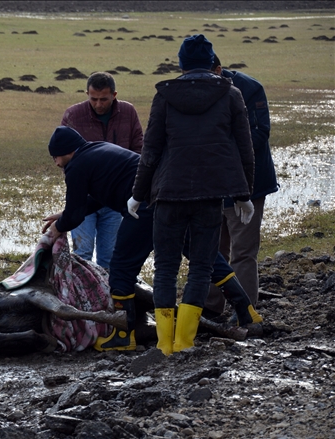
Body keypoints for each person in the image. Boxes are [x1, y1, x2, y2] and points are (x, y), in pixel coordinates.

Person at [42, 126, 260, 353]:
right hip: (170, 197)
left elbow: (75, 214)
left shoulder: (76, 166)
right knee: (200, 254)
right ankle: (246, 310)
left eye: (55, 157)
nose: (57, 163)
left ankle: (123, 335)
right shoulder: (97, 149)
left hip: (144, 209)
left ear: (64, 151)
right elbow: (98, 197)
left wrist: (58, 228)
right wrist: (63, 216)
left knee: (121, 267)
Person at [128, 34, 255, 355]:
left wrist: (137, 194)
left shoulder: (165, 96)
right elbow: (245, 151)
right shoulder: (232, 94)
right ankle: (185, 342)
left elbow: (151, 151)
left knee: (166, 268)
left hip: (168, 193)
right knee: (200, 266)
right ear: (213, 63)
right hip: (209, 195)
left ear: (181, 64)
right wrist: (244, 195)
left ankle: (165, 343)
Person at [202, 54, 279, 322]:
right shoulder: (194, 89)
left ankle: (245, 310)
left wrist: (218, 150)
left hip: (248, 183)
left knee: (243, 250)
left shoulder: (249, 88)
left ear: (219, 70)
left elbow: (260, 133)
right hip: (210, 186)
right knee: (212, 248)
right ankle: (211, 307)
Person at [60, 71, 143, 270]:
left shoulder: (128, 112)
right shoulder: (73, 115)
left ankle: (109, 298)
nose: (98, 104)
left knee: (110, 256)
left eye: (103, 99)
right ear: (87, 94)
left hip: (117, 197)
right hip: (85, 195)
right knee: (82, 253)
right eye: (93, 99)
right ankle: (84, 296)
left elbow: (139, 150)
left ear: (114, 95)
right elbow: (64, 157)